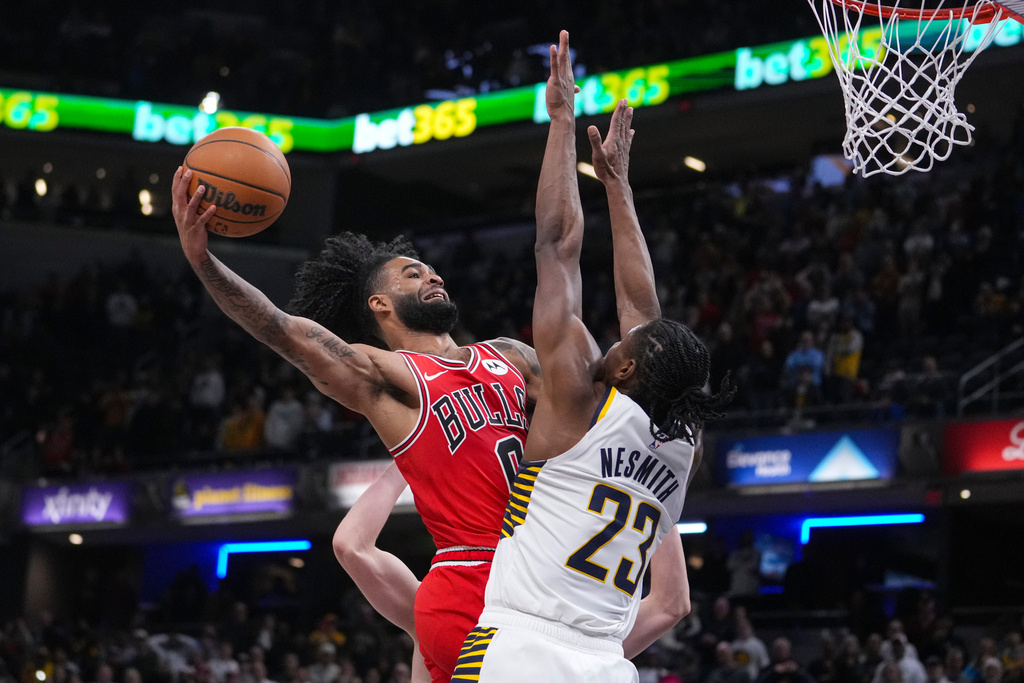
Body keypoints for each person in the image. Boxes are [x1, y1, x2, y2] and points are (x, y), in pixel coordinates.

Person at [172, 156, 542, 682]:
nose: (431, 274)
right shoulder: (381, 375)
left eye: (430, 269)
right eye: (411, 274)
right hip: (472, 577)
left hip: (545, 565)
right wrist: (204, 261)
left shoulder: (513, 355)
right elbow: (282, 330)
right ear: (381, 305)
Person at [450, 31, 733, 682]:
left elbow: (555, 248)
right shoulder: (680, 442)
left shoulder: (577, 401)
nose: (617, 336)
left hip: (520, 646)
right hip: (606, 663)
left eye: (626, 345)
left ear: (629, 367)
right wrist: (616, 184)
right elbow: (645, 314)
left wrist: (559, 122)